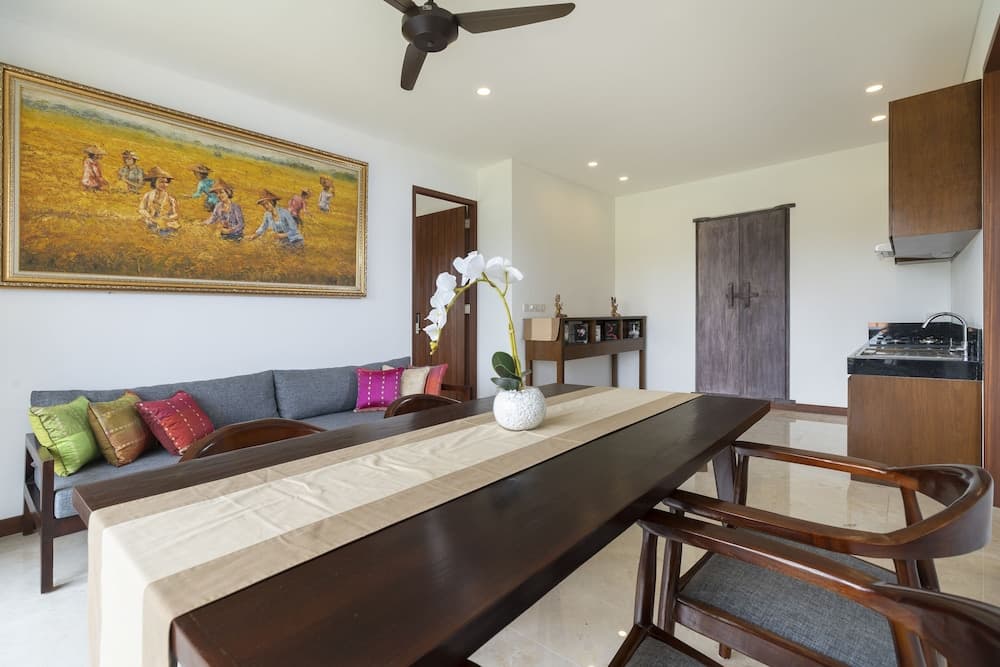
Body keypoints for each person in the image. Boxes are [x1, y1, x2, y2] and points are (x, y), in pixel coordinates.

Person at [138, 166, 180, 235]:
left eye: (166, 182)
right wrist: (150, 217)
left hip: (165, 222)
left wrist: (166, 219)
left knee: (166, 230)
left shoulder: (170, 198)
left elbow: (176, 214)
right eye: (161, 182)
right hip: (150, 220)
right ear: (154, 182)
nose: (164, 185)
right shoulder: (148, 195)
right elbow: (141, 209)